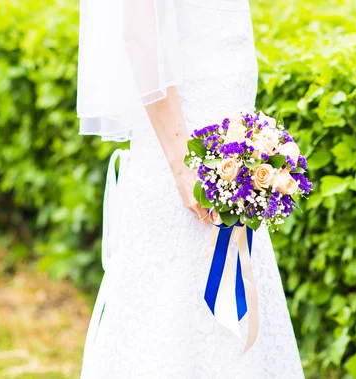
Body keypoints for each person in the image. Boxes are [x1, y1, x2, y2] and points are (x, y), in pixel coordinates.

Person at [76, 0, 304, 377]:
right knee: (171, 306)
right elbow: (139, 33)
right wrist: (183, 163)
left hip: (230, 135)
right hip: (184, 148)